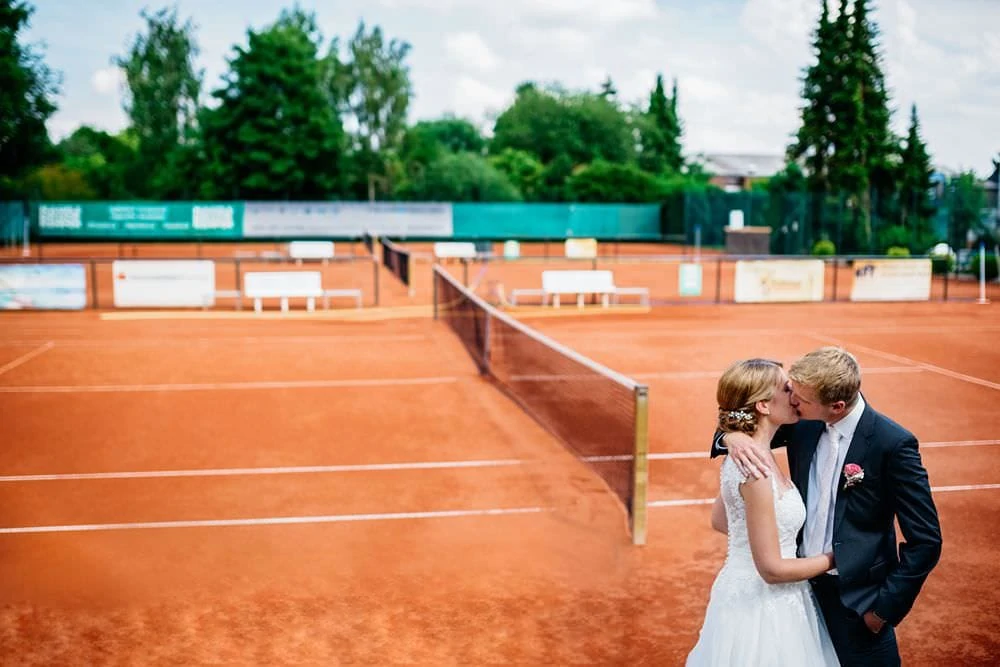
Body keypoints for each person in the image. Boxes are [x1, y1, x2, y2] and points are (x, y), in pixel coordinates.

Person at [710, 347, 943, 666]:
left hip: (858, 603)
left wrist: (883, 610)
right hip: (800, 592)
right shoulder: (802, 422)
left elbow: (927, 541)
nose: (792, 399)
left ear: (836, 406)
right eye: (789, 390)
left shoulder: (892, 444)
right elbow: (746, 417)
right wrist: (730, 438)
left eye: (800, 398)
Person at [687, 358, 840, 666]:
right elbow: (771, 570)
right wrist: (835, 557)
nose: (794, 393)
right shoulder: (756, 468)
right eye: (786, 388)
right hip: (764, 606)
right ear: (763, 406)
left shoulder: (748, 455)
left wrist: (760, 536)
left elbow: (720, 519)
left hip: (743, 594)